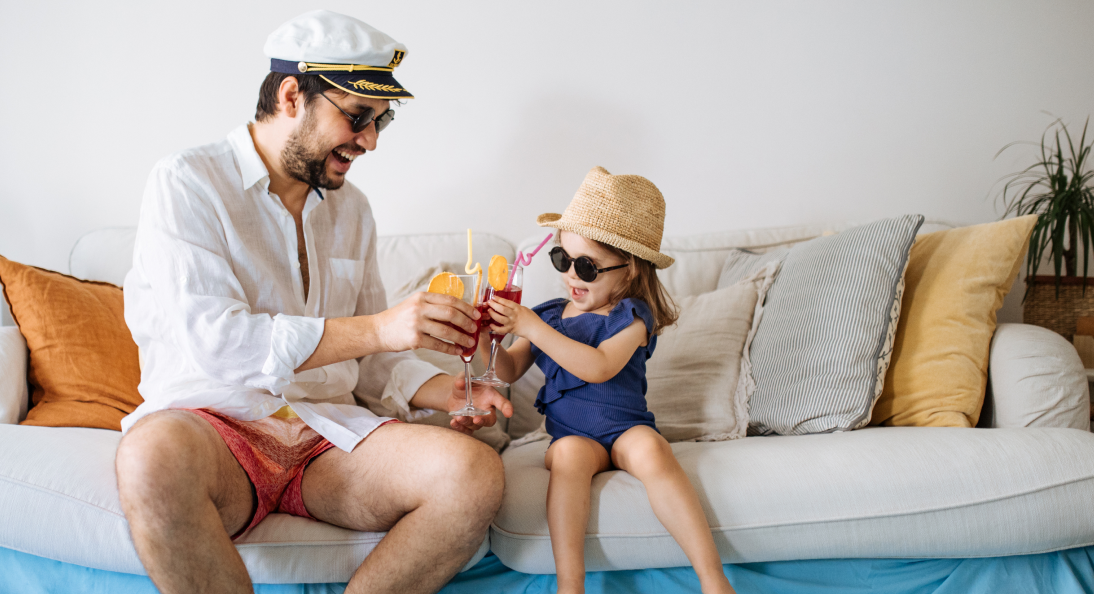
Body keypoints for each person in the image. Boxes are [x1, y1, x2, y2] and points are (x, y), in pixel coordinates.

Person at [113, 10, 513, 594]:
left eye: (381, 122)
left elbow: (372, 363)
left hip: (329, 439)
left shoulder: (353, 210)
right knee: (149, 458)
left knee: (472, 474)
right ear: (292, 95)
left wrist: (443, 390)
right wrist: (380, 328)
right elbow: (223, 343)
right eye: (357, 117)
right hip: (216, 428)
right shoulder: (186, 182)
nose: (370, 141)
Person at [486, 167, 736, 594]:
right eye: (563, 260)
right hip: (573, 436)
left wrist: (533, 328)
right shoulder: (548, 315)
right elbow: (507, 371)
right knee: (567, 457)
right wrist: (479, 338)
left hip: (625, 428)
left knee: (653, 452)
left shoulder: (632, 318)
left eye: (587, 267)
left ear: (631, 270)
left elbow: (600, 366)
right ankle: (571, 584)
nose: (570, 277)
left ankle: (712, 579)